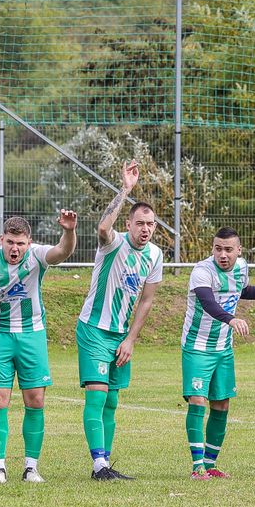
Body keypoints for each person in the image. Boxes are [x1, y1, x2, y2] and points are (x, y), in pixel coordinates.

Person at [180, 227, 255, 479]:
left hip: (223, 349)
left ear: (238, 250)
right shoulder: (202, 271)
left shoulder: (241, 267)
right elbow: (208, 302)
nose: (223, 254)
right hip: (197, 347)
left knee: (221, 404)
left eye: (228, 249)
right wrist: (231, 319)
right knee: (198, 401)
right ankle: (197, 466)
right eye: (218, 248)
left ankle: (210, 464)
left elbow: (245, 291)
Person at [0, 211, 77, 484]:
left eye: (20, 243)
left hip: (32, 335)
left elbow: (62, 252)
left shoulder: (37, 256)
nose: (15, 248)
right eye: (10, 242)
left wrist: (68, 231)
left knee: (36, 401)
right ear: (1, 240)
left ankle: (31, 467)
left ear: (29, 243)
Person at [76, 159, 163, 481]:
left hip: (120, 336)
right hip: (94, 329)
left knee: (112, 400)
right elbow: (101, 227)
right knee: (98, 394)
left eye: (150, 224)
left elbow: (147, 300)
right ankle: (99, 465)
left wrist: (130, 339)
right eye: (140, 223)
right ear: (128, 224)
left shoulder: (155, 256)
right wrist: (125, 189)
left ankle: (105, 463)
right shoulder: (112, 243)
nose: (145, 229)